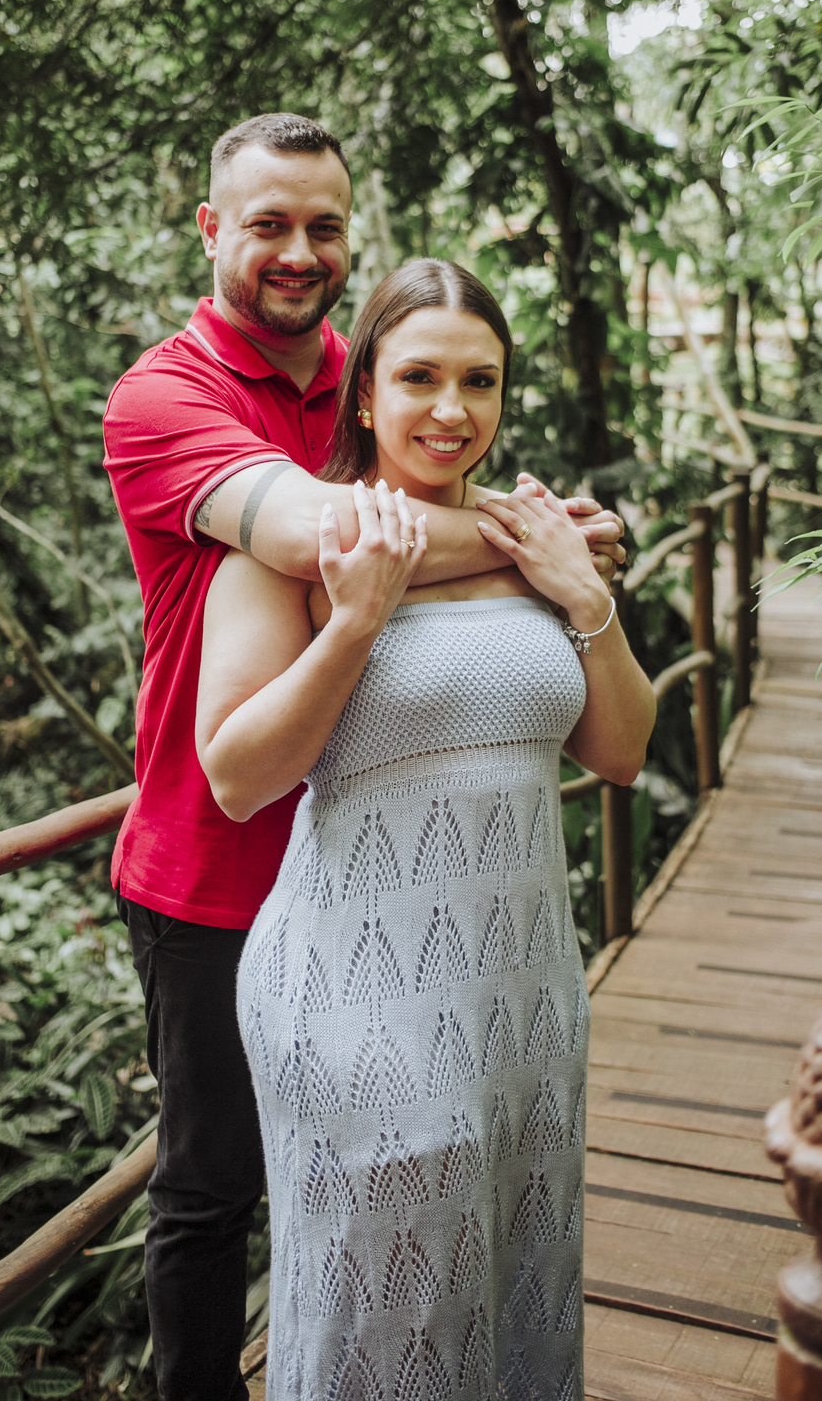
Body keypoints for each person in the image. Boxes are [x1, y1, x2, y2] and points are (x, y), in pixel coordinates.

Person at [102, 114, 628, 1401]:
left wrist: (555, 573)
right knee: (213, 1189)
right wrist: (536, 540)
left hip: (422, 883)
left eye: (324, 226)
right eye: (268, 224)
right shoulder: (165, 394)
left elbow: (421, 484)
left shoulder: (378, 361)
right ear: (211, 229)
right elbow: (319, 538)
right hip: (217, 855)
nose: (299, 251)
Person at [196, 259, 656, 1401]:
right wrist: (354, 624)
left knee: (513, 1288)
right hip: (356, 994)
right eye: (418, 378)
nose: (452, 410)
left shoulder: (531, 540)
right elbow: (237, 778)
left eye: (480, 381)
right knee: (385, 1320)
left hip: (523, 990)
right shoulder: (291, 554)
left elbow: (621, 751)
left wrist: (585, 596)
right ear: (363, 392)